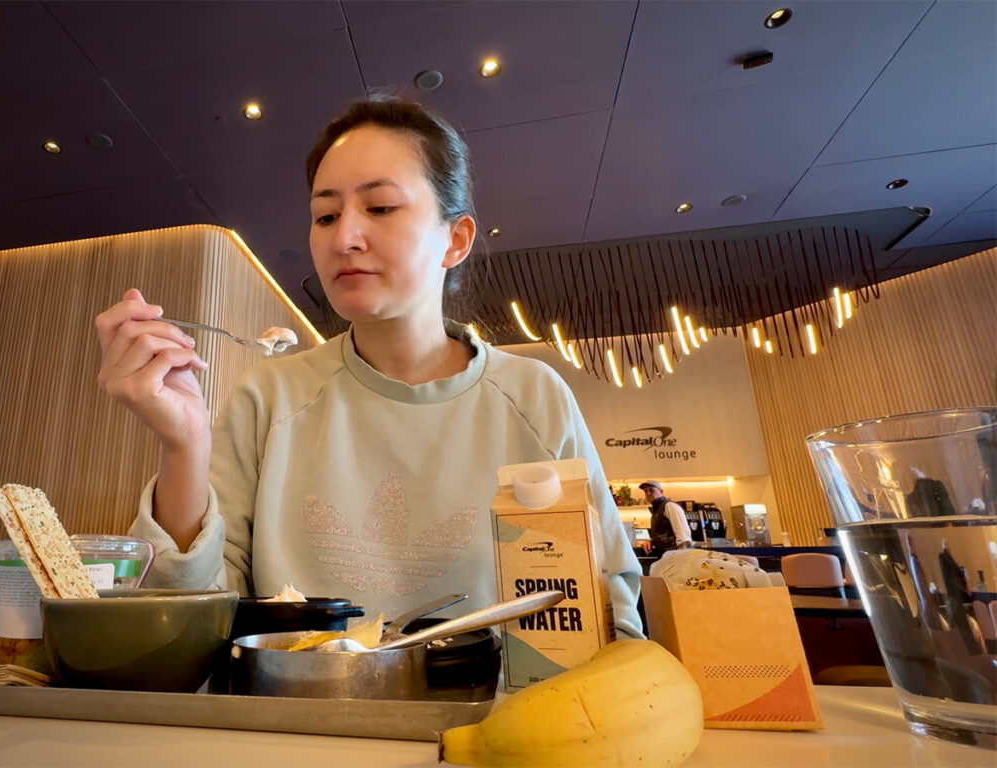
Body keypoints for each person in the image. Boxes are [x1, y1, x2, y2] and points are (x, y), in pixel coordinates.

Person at [94, 97, 644, 638]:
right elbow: (192, 622)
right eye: (325, 215)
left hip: (506, 720)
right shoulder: (271, 396)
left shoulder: (533, 395)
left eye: (379, 208)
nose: (343, 238)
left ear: (455, 239)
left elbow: (605, 601)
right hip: (301, 720)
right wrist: (183, 445)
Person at [638, 481, 692, 557]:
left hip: (674, 555)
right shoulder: (657, 509)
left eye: (651, 490)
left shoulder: (670, 506)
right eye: (646, 491)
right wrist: (651, 541)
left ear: (661, 491)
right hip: (666, 556)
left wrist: (680, 557)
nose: (648, 493)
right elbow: (662, 532)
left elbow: (683, 534)